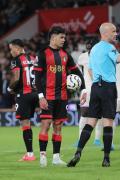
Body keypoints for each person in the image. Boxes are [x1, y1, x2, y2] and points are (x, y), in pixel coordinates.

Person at [67, 22, 120, 167]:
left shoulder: (94, 49)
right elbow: (118, 59)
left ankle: (78, 152)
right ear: (105, 33)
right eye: (114, 31)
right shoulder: (109, 47)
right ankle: (106, 158)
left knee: (90, 122)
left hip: (96, 87)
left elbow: (90, 70)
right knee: (108, 122)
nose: (116, 34)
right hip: (108, 88)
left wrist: (97, 80)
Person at [34, 26, 85, 167]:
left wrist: (84, 89)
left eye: (64, 37)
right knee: (46, 124)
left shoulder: (65, 54)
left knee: (58, 126)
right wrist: (40, 96)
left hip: (62, 96)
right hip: (47, 96)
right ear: (53, 37)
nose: (64, 40)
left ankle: (56, 157)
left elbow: (77, 72)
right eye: (61, 37)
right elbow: (37, 77)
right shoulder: (42, 53)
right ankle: (43, 156)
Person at [8, 39, 38, 161]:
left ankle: (30, 154)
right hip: (36, 93)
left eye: (11, 48)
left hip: (23, 95)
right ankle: (45, 154)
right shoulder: (33, 58)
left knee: (25, 124)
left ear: (18, 47)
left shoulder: (16, 60)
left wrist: (10, 88)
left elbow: (16, 78)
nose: (10, 52)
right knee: (46, 122)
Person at [75, 39, 103, 147]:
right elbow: (78, 70)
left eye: (92, 44)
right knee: (84, 113)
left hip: (99, 87)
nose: (89, 46)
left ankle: (97, 139)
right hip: (86, 88)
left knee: (99, 114)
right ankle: (79, 139)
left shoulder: (101, 56)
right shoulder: (82, 57)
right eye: (88, 44)